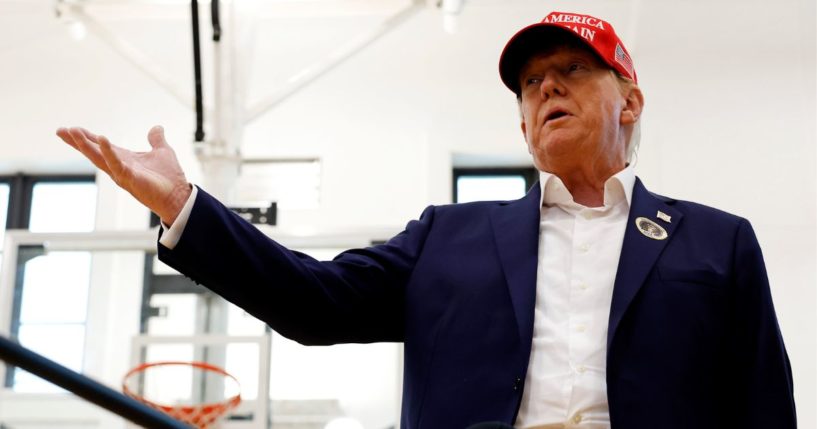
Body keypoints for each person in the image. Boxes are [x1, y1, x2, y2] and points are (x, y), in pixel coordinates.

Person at [56, 11, 796, 429]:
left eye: (570, 71)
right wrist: (183, 207)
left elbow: (763, 407)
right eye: (531, 84)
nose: (546, 90)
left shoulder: (716, 240)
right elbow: (311, 301)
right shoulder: (450, 236)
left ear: (628, 102)